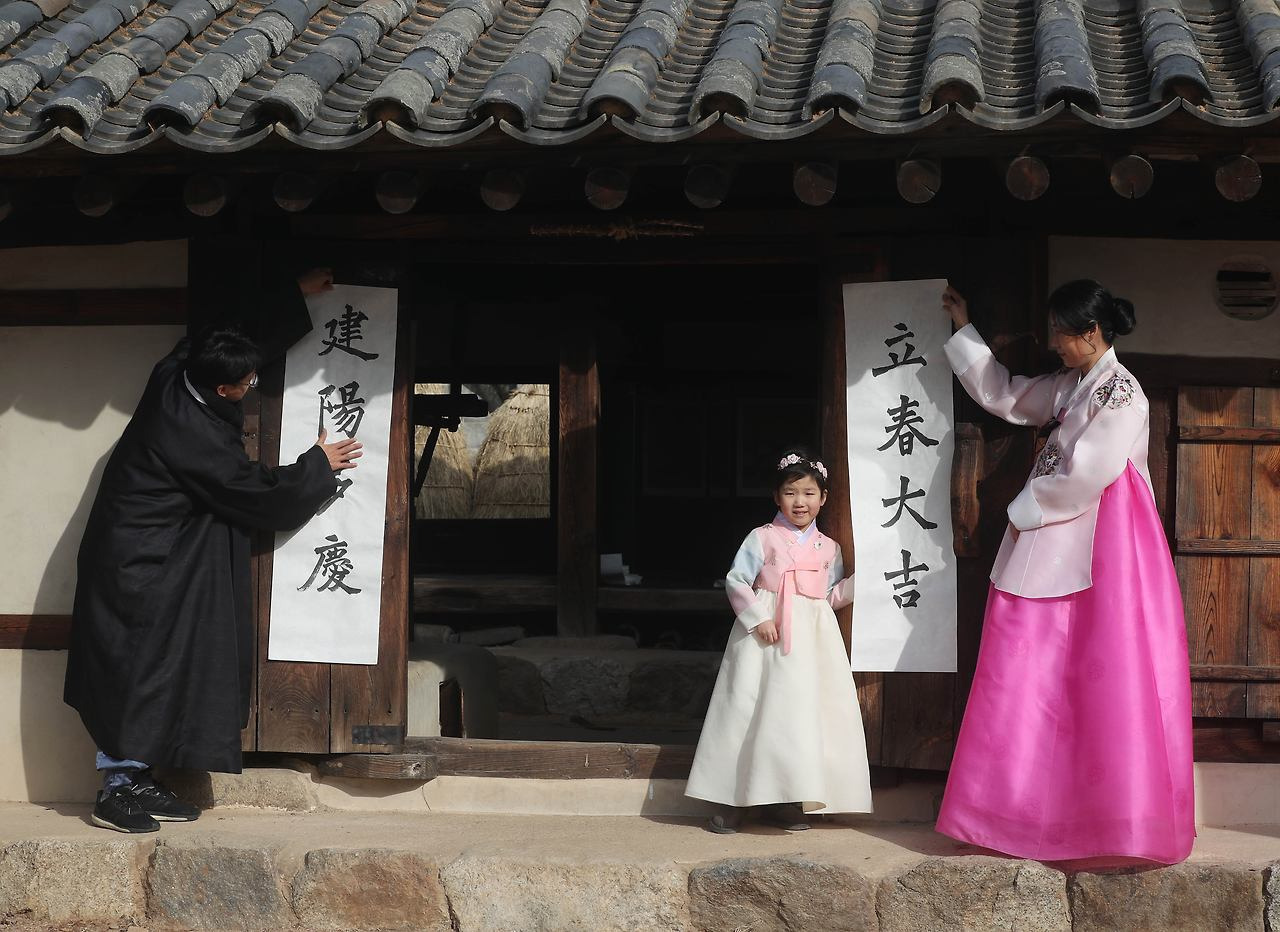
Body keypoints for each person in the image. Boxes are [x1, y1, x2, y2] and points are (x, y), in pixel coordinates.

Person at [65, 268, 363, 834]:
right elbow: (257, 494)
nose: (252, 383)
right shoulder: (191, 432)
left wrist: (292, 292)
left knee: (167, 666)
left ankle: (141, 777)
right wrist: (318, 465)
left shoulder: (176, 369)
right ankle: (116, 789)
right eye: (248, 382)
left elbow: (223, 331)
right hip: (137, 563)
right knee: (134, 668)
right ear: (225, 390)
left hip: (162, 551)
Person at [935, 280, 1194, 864]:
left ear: (1092, 333)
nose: (1053, 342)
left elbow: (1088, 473)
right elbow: (1006, 395)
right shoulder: (1071, 385)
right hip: (1060, 525)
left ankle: (1102, 821)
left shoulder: (1123, 395)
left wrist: (1025, 508)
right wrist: (964, 330)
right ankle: (1014, 813)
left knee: (1102, 669)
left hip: (1104, 538)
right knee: (1028, 662)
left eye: (1060, 332)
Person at [685, 450, 872, 833]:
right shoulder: (762, 537)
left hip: (811, 641)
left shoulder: (829, 548)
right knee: (748, 708)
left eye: (809, 493)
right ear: (777, 496)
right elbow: (737, 580)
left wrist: (863, 582)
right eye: (790, 492)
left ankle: (787, 798)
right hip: (765, 635)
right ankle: (733, 799)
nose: (800, 502)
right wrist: (758, 618)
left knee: (797, 716)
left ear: (823, 498)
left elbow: (828, 597)